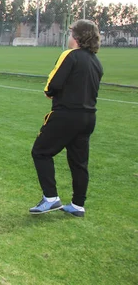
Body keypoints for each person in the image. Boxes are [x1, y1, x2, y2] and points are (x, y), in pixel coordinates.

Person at [29, 19, 103, 218]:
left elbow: (53, 84)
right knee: (79, 162)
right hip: (88, 118)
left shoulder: (70, 56)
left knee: (41, 152)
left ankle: (51, 198)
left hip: (66, 115)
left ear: (77, 38)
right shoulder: (96, 61)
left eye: (71, 34)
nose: (68, 37)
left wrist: (49, 92)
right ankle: (78, 205)